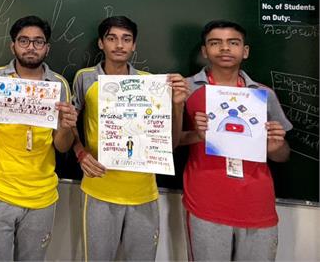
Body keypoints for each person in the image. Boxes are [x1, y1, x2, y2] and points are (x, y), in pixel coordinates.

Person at [72, 15, 188, 261]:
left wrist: (178, 107)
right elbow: (69, 123)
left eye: (126, 39)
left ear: (134, 45)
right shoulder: (85, 78)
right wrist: (80, 152)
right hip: (99, 188)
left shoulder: (151, 84)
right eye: (112, 38)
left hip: (143, 192)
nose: (119, 45)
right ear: (101, 43)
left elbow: (170, 142)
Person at [179, 20, 291, 261]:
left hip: (257, 203)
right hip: (206, 202)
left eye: (233, 42)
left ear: (245, 50)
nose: (225, 48)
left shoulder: (263, 94)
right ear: (204, 51)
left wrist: (276, 147)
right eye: (215, 43)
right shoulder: (185, 89)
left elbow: (282, 155)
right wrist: (196, 135)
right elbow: (169, 142)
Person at [0, 15, 77, 261]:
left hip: (41, 196)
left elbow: (62, 146)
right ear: (13, 45)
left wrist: (67, 127)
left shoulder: (58, 85)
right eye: (24, 41)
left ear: (47, 48)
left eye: (38, 42)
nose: (31, 47)